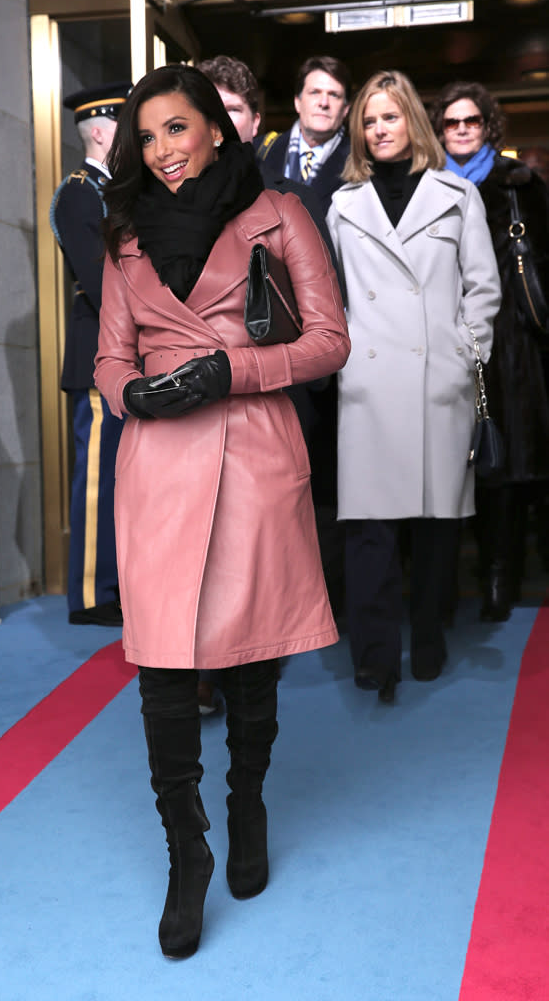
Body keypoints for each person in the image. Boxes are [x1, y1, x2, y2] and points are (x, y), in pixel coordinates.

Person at [95, 64, 349, 958]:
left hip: (251, 448)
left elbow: (328, 341)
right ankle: (186, 853)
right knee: (162, 665)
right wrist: (134, 394)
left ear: (216, 128)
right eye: (149, 134)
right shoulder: (120, 233)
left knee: (248, 655)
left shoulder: (279, 213)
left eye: (178, 128)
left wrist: (229, 370)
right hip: (160, 465)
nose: (163, 150)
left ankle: (246, 805)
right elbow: (106, 358)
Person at [327, 70, 500, 702]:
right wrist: (342, 353)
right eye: (368, 121)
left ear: (412, 123)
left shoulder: (458, 195)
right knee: (369, 531)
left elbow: (482, 288)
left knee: (434, 527)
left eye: (389, 117)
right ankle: (374, 657)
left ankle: (428, 637)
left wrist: (462, 353)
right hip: (368, 378)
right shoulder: (344, 204)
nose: (378, 130)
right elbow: (333, 296)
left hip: (437, 380)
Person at [195, 54, 341, 714]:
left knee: (257, 555)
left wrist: (255, 371)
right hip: (186, 414)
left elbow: (325, 328)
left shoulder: (292, 205)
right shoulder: (150, 213)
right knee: (197, 548)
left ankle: (250, 676)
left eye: (230, 112)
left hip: (271, 403)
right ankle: (201, 671)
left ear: (254, 125)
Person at [429, 82, 549, 621]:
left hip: (512, 343)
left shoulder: (518, 183)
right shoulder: (423, 186)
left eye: (470, 121)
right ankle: (452, 578)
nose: (461, 130)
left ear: (487, 126)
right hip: (442, 336)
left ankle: (502, 572)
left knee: (508, 460)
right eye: (451, 123)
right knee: (456, 461)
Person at [50, 83, 131, 626]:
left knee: (119, 477)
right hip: (99, 354)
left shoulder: (111, 190)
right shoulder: (81, 192)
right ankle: (91, 594)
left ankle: (112, 584)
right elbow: (102, 280)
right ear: (100, 131)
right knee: (99, 478)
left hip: (118, 354)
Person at [255, 55, 352, 217]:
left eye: (334, 95)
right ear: (297, 102)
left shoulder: (360, 161)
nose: (324, 103)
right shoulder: (260, 150)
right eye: (315, 92)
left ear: (346, 109)